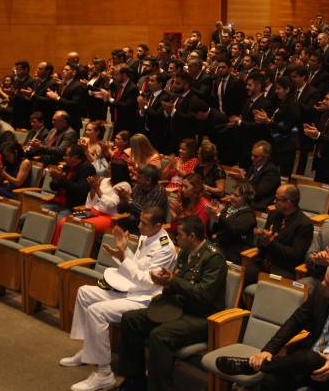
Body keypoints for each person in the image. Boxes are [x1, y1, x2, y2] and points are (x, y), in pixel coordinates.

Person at [59, 207, 176, 391]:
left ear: (158, 225)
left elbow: (148, 282)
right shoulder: (147, 235)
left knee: (97, 311)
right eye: (140, 221)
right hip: (131, 289)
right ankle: (88, 350)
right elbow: (138, 266)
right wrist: (121, 254)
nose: (139, 225)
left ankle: (104, 374)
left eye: (144, 223)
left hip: (145, 299)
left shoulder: (165, 248)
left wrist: (124, 256)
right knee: (84, 292)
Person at [215, 263, 329, 391]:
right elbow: (295, 321)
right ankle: (263, 365)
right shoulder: (322, 294)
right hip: (302, 363)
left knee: (311, 358)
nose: (322, 284)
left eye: (328, 283)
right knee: (271, 381)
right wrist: (268, 350)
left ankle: (254, 366)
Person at [115, 216, 227, 391]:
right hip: (177, 307)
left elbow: (204, 295)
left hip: (201, 316)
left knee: (159, 336)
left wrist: (172, 281)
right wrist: (162, 282)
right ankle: (135, 380)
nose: (176, 238)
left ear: (192, 236)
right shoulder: (184, 252)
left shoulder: (214, 258)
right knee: (131, 319)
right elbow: (175, 283)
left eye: (180, 234)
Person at [244, 183, 314, 285]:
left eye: (277, 199)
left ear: (289, 202)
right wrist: (262, 239)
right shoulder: (274, 214)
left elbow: (295, 255)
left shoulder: (304, 224)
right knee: (241, 276)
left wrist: (271, 243)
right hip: (262, 262)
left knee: (268, 287)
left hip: (283, 269)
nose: (274, 201)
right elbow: (261, 244)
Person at [207, 181, 256, 263]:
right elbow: (212, 231)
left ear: (246, 199)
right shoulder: (228, 209)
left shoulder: (248, 215)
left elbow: (234, 228)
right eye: (231, 194)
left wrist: (218, 214)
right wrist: (212, 218)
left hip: (233, 251)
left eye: (236, 195)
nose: (231, 197)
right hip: (218, 245)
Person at [45, 144, 97, 221]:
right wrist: (55, 179)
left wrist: (61, 178)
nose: (63, 157)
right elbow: (54, 188)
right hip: (55, 203)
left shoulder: (87, 168)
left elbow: (80, 190)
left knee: (54, 222)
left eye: (66, 155)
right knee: (30, 217)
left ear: (75, 158)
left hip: (72, 207)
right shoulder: (67, 166)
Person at [117, 165, 168, 232]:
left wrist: (129, 199)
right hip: (134, 221)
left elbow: (146, 214)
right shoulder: (138, 187)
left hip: (150, 225)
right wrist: (122, 200)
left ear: (148, 180)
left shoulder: (159, 191)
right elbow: (121, 210)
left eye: (138, 177)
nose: (135, 178)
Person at [244, 141, 282, 211]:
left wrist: (243, 180)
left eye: (256, 156)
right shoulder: (253, 167)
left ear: (266, 157)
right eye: (252, 155)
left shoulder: (272, 172)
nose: (252, 158)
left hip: (261, 206)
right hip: (248, 202)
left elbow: (258, 193)